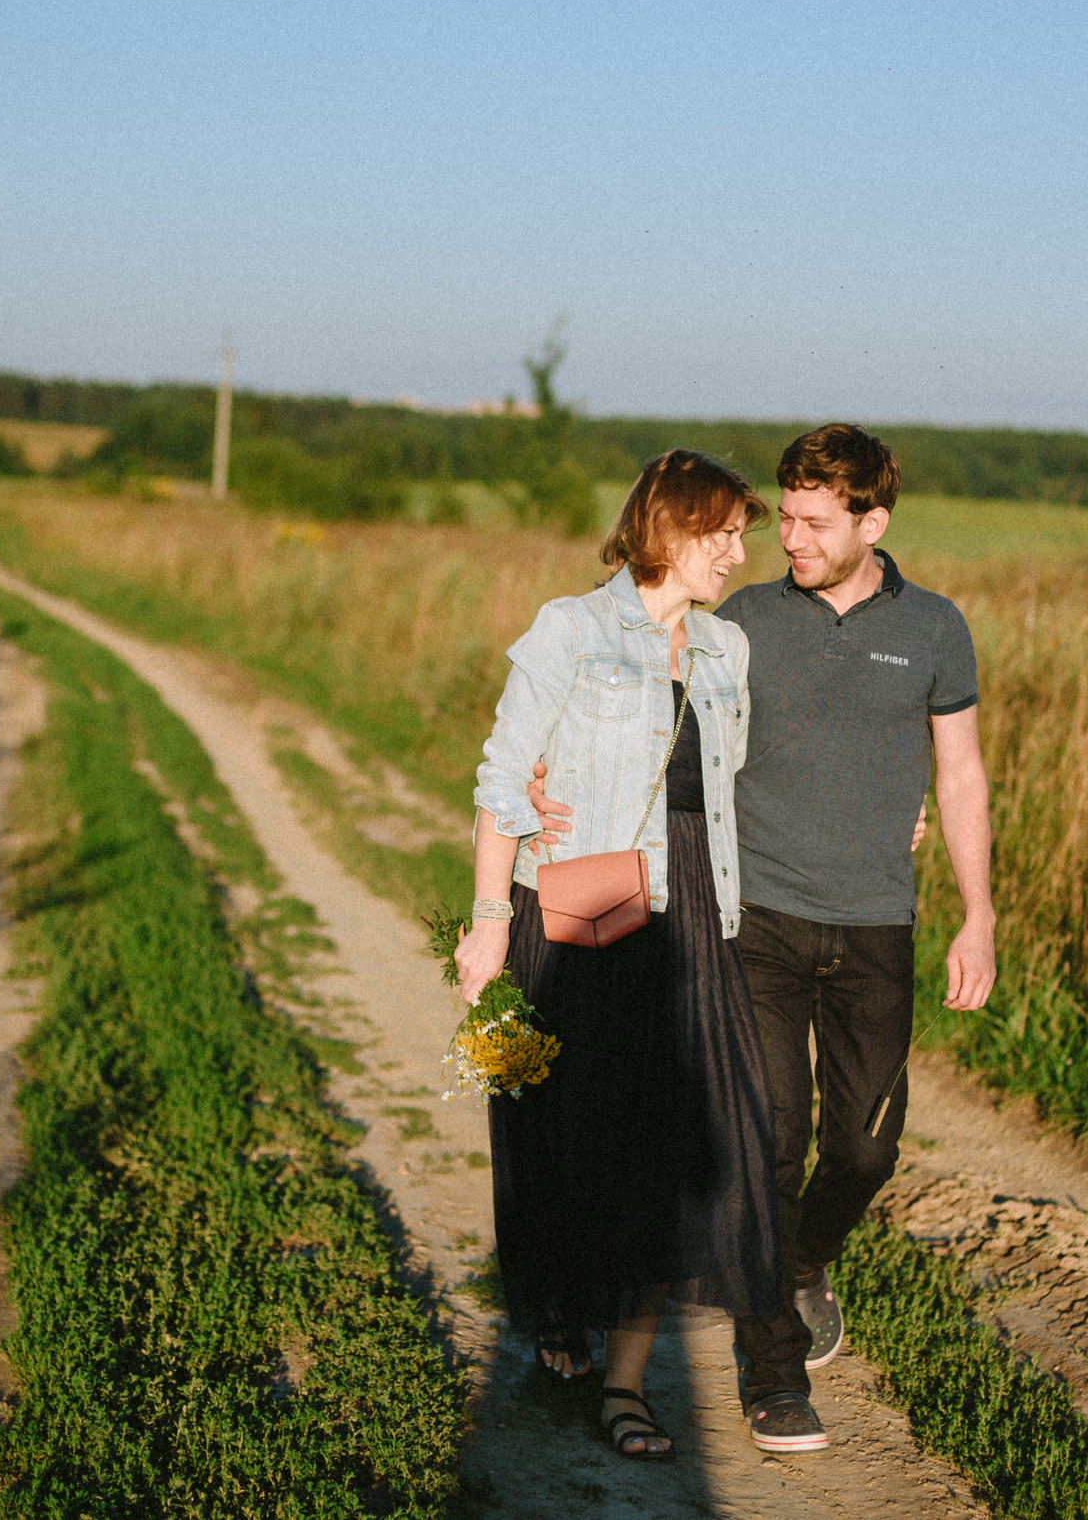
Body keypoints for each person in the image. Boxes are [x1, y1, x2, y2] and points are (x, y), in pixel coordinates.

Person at [531, 422, 997, 1455]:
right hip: (760, 916)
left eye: (812, 521)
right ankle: (774, 1370)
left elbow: (959, 774)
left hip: (878, 917)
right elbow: (654, 730)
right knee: (771, 1135)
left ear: (871, 521)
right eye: (781, 515)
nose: (788, 536)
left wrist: (980, 911)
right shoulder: (738, 621)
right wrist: (544, 786)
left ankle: (796, 1261)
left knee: (866, 1144)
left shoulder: (934, 628)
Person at [454, 448, 783, 1461]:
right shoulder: (573, 627)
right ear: (668, 528)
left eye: (741, 532)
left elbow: (734, 784)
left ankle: (629, 1382)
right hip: (588, 901)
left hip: (692, 917)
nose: (737, 550)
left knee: (689, 1141)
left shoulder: (727, 649)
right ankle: (558, 1311)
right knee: (569, 1133)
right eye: (721, 530)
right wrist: (485, 919)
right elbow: (506, 776)